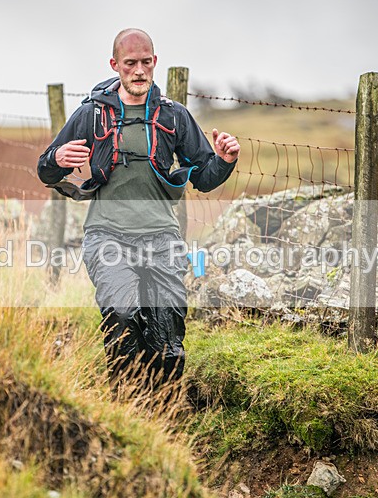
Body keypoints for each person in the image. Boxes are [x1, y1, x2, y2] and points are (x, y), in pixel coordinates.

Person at [37, 28, 240, 392]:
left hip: (162, 239)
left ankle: (161, 412)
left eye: (146, 62)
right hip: (107, 236)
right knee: (122, 313)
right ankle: (127, 405)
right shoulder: (92, 114)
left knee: (167, 342)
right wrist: (57, 158)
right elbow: (45, 169)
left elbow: (205, 178)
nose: (139, 71)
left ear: (155, 62)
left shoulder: (174, 116)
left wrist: (224, 160)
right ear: (115, 65)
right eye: (130, 63)